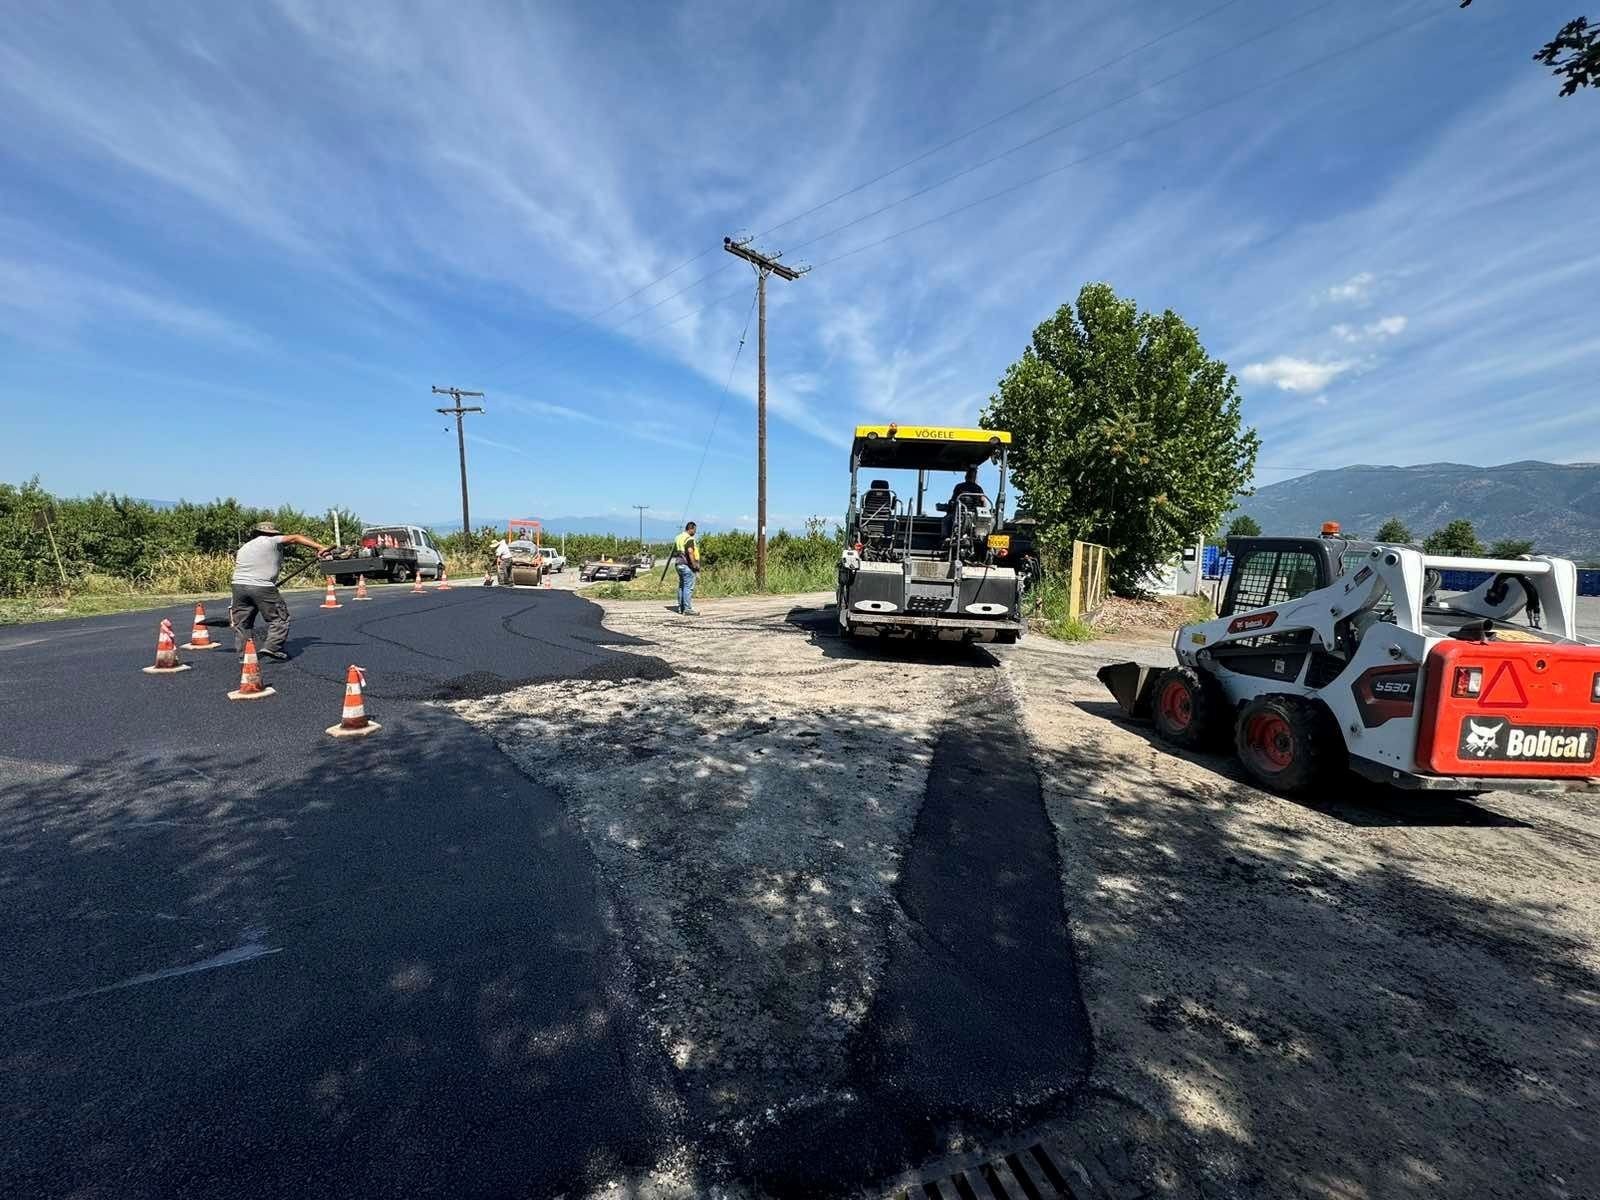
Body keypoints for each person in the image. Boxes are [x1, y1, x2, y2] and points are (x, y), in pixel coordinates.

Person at [230, 521, 327, 660]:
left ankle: (245, 656)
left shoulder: (245, 547)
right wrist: (320, 547)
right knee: (280, 618)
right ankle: (272, 648)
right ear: (272, 533)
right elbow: (296, 538)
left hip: (238, 586)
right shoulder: (271, 540)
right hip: (261, 586)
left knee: (243, 623)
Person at [945, 466, 989, 537]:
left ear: (966, 477)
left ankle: (946, 537)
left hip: (959, 514)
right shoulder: (978, 488)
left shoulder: (959, 486)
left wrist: (950, 505)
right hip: (975, 515)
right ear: (974, 478)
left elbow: (953, 500)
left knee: (946, 520)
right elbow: (984, 502)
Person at [672, 521, 701, 616]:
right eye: (695, 530)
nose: (695, 532)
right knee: (688, 587)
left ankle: (681, 608)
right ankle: (688, 609)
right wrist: (694, 565)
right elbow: (690, 551)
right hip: (686, 565)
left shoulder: (678, 537)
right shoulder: (689, 538)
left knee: (681, 586)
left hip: (678, 564)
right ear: (691, 529)